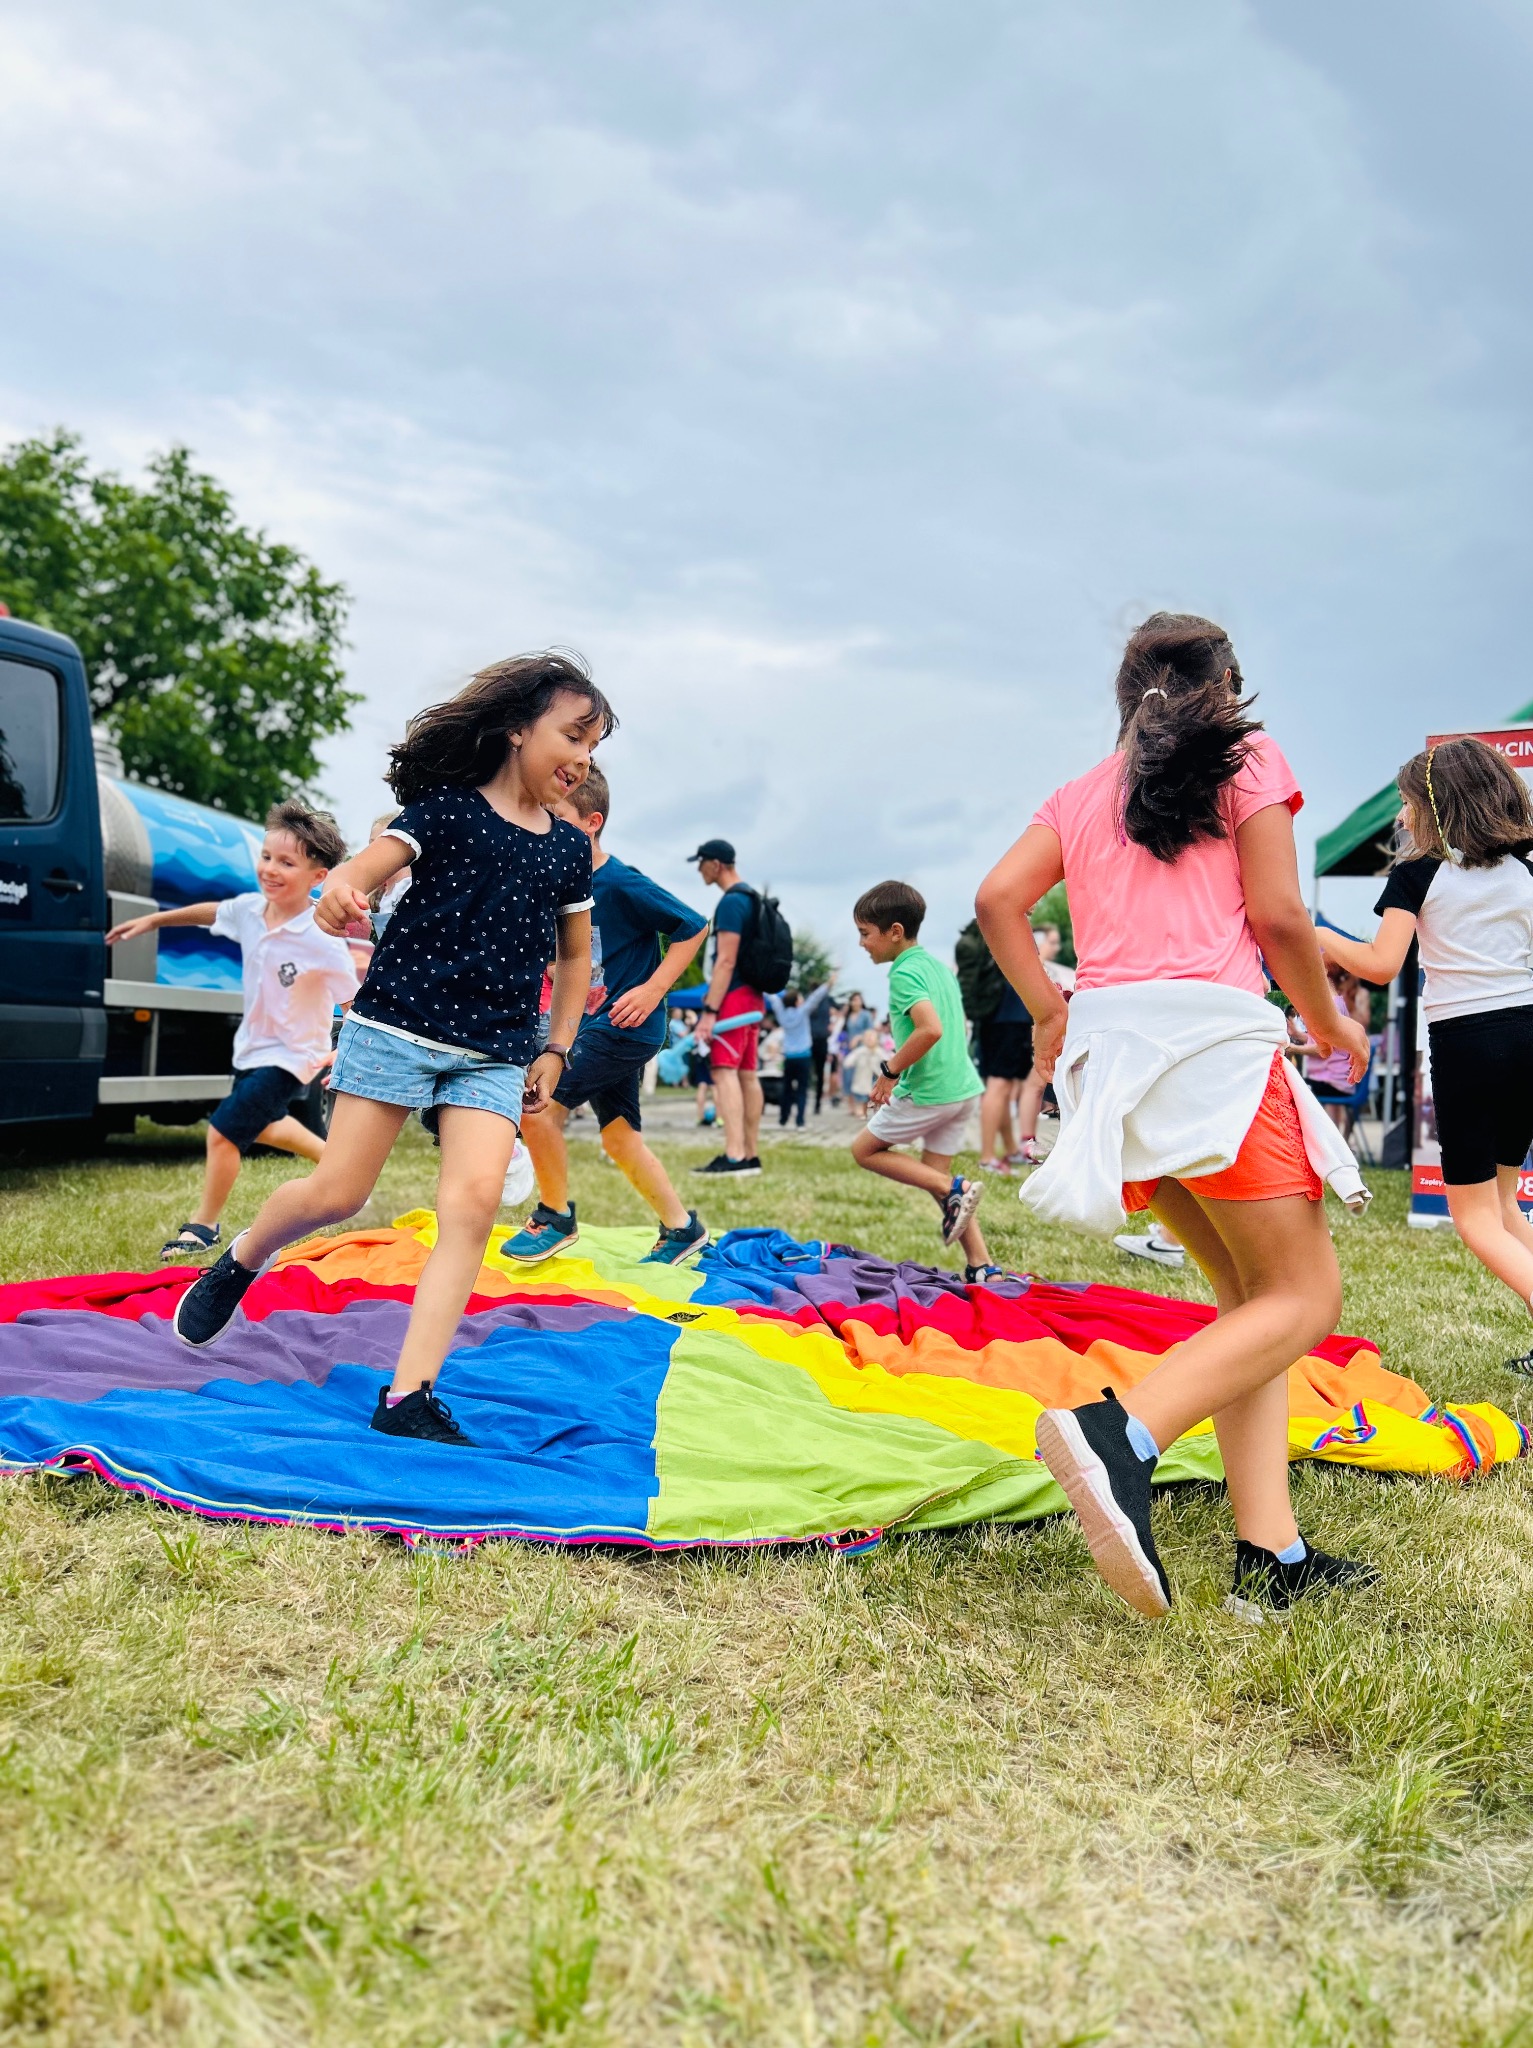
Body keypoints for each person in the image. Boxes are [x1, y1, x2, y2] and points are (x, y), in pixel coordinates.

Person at [977, 611, 1373, 1619]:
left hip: (1117, 1068)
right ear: (1225, 685)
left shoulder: (1078, 793)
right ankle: (1120, 1436)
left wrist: (1049, 1010)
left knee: (1251, 1306)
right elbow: (1283, 917)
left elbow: (995, 899)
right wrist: (1328, 1022)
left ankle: (1270, 1554)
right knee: (1304, 1298)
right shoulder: (1247, 757)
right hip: (1211, 1054)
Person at [167, 651, 613, 1447]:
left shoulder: (566, 850)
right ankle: (242, 1256)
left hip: (495, 1052)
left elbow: (574, 959)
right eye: (573, 735)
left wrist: (556, 1047)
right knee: (337, 1192)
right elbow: (362, 872)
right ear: (516, 729)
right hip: (396, 1027)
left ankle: (408, 1395)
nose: (583, 758)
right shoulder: (443, 809)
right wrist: (342, 890)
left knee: (472, 1206)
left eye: (595, 746)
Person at [1319, 739, 1533, 1369]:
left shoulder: (1417, 875)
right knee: (1502, 1205)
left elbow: (1382, 967)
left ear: (1437, 807)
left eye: (1409, 804)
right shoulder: (1527, 867)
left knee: (1472, 1219)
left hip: (1468, 1044)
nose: (1403, 818)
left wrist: (1321, 934)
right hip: (1528, 1034)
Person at [108, 801, 360, 1263]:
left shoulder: (322, 937)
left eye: (286, 862)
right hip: (250, 1049)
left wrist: (341, 1055)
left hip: (291, 1057)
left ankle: (203, 1226)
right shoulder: (249, 910)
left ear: (318, 877)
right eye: (266, 857)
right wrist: (154, 920)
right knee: (265, 1126)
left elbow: (354, 1003)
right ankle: (340, 1168)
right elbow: (211, 912)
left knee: (223, 1133)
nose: (270, 869)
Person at [501, 767, 712, 1266]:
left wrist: (654, 988)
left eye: (557, 818)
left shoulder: (618, 882)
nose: (544, 827)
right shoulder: (553, 882)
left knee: (538, 1106)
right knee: (620, 1139)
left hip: (624, 1024)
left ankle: (554, 1217)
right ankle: (682, 1229)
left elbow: (693, 926)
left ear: (591, 823)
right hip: (586, 1024)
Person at [851, 881, 1004, 1284]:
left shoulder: (904, 974)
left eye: (866, 934)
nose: (862, 944)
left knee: (864, 1150)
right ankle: (982, 1267)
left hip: (931, 1091)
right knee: (947, 1191)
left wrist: (889, 1073)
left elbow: (929, 1029)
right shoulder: (936, 967)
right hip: (963, 1089)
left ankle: (954, 1186)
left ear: (895, 931)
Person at [689, 839, 766, 1177]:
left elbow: (725, 960)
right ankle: (750, 1153)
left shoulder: (732, 903)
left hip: (733, 998)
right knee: (748, 1074)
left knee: (724, 1072)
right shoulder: (753, 898)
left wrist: (709, 1010)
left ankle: (734, 1156)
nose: (699, 869)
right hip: (754, 997)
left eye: (701, 862)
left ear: (716, 864)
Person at [1011, 923, 1074, 1164]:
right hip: (1034, 1028)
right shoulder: (1028, 968)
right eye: (1052, 942)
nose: (1055, 947)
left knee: (1040, 1085)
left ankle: (1027, 1141)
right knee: (1035, 1084)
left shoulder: (1039, 969)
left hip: (1042, 1027)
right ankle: (1025, 1142)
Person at [1301, 962, 1373, 1130]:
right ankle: (1341, 1142)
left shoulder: (1352, 997)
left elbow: (1363, 1022)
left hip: (1344, 1058)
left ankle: (1340, 1141)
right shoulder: (1339, 998)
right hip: (1342, 1057)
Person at [768, 983, 831, 1127]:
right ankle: (800, 1121)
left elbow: (773, 999)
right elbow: (815, 998)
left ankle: (783, 1118)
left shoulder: (782, 1014)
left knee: (787, 1088)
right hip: (803, 1056)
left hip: (789, 1057)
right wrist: (828, 984)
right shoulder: (802, 1011)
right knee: (802, 1089)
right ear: (797, 1001)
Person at [842, 1028, 879, 1117]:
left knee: (873, 1092)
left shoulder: (878, 1051)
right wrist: (849, 1063)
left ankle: (871, 1110)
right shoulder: (860, 1052)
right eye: (868, 1038)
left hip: (875, 1076)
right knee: (862, 1094)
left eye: (872, 1038)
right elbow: (849, 1060)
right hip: (863, 1076)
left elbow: (886, 1059)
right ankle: (862, 1110)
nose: (870, 1040)